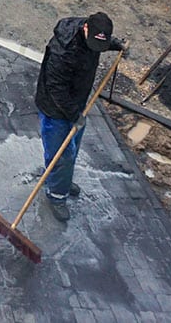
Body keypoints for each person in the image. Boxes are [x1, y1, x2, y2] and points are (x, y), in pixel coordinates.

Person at [35, 12, 124, 222]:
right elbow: (56, 89)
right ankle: (56, 195)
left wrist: (116, 45)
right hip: (55, 109)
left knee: (72, 146)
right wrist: (75, 115)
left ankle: (61, 181)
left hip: (76, 102)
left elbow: (101, 42)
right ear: (85, 29)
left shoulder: (92, 33)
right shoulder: (63, 51)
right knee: (62, 154)